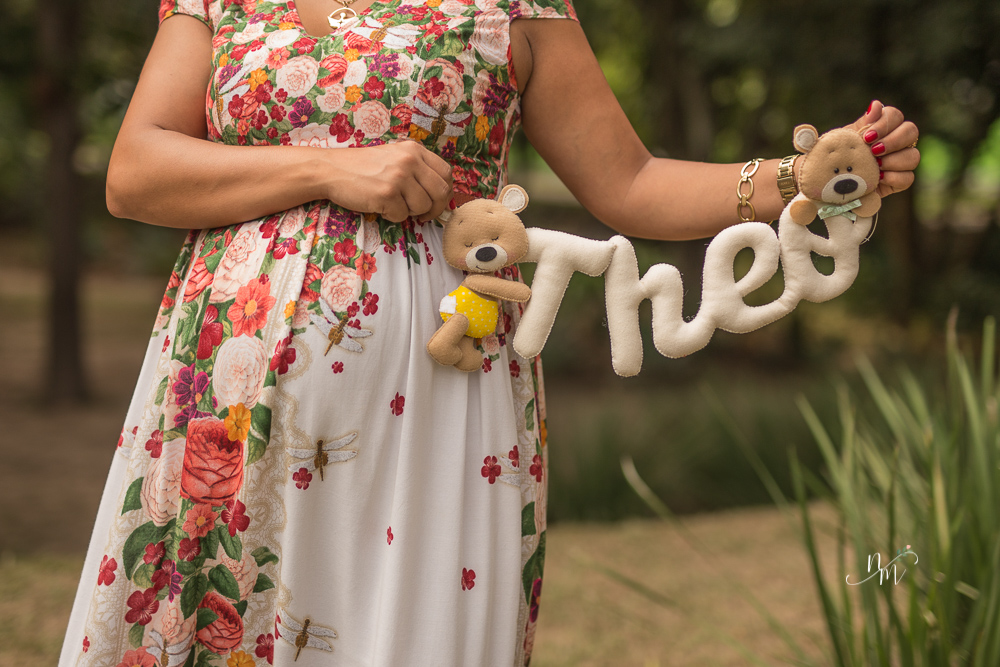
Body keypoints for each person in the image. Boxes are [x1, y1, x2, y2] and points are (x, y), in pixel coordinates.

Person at [58, 0, 920, 665]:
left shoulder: (519, 6)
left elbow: (632, 181)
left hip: (435, 400)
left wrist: (803, 177)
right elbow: (135, 171)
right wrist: (331, 167)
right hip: (223, 394)